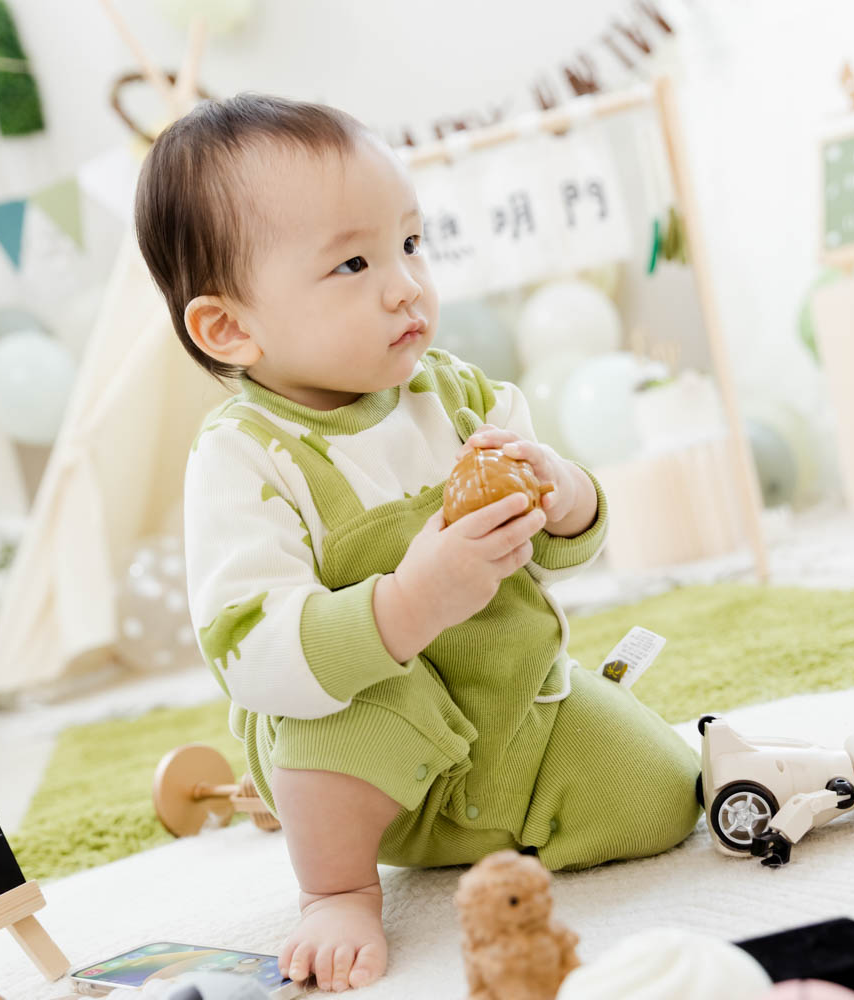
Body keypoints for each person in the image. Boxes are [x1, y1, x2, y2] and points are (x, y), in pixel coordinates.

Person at [134, 93, 701, 994]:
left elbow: (561, 551)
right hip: (366, 762)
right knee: (330, 715)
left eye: (411, 243)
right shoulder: (245, 458)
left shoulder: (461, 396)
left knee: (666, 794)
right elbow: (254, 653)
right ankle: (337, 891)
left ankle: (510, 818)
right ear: (231, 327)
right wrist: (407, 604)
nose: (405, 284)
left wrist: (564, 496)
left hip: (511, 715)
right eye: (353, 263)